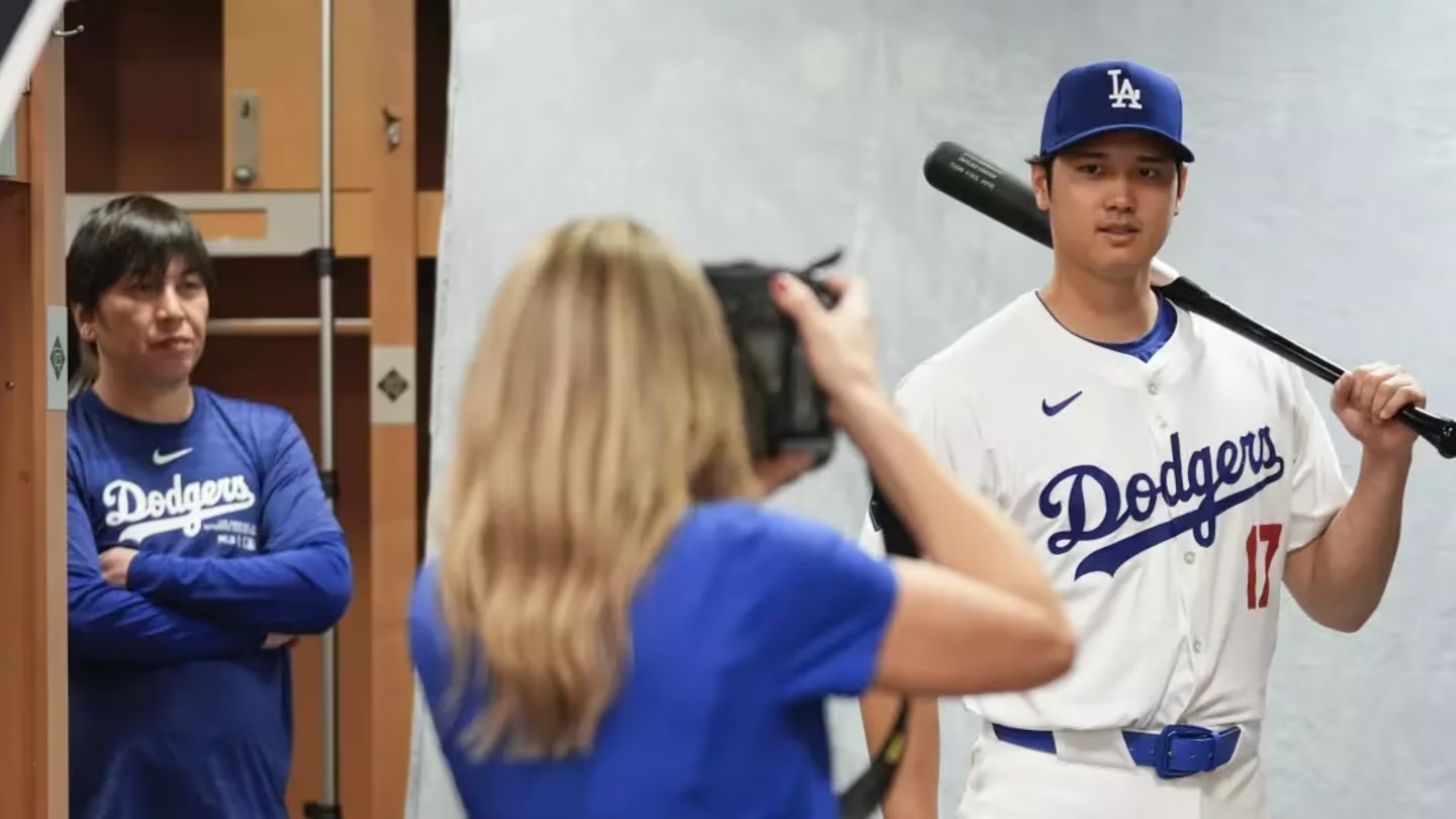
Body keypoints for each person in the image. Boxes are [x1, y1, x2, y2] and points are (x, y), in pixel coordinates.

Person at [859, 60, 1429, 819]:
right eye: (1092, 168)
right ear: (1042, 185)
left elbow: (1339, 599)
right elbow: (889, 637)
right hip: (1054, 785)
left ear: (1179, 189)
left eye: (1148, 172)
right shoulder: (954, 392)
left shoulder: (1256, 372)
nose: (1121, 196)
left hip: (1233, 791)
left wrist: (1384, 465)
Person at [407, 216, 1077, 817]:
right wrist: (861, 400)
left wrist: (734, 485)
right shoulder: (758, 568)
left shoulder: (447, 597)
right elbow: (1041, 633)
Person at [66, 194, 354, 819]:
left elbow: (324, 583)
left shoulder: (265, 435)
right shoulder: (58, 446)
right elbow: (83, 617)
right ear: (86, 317)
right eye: (142, 288)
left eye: (189, 286)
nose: (173, 310)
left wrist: (149, 571)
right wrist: (254, 627)